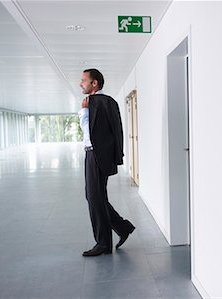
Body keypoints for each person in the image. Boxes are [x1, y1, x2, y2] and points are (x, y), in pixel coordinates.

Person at [78, 68, 135, 257]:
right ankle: (122, 227)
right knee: (95, 197)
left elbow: (116, 130)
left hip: (97, 156)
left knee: (94, 198)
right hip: (90, 154)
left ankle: (103, 243)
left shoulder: (106, 102)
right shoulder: (89, 103)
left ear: (95, 83)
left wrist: (118, 156)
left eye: (84, 80)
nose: (81, 84)